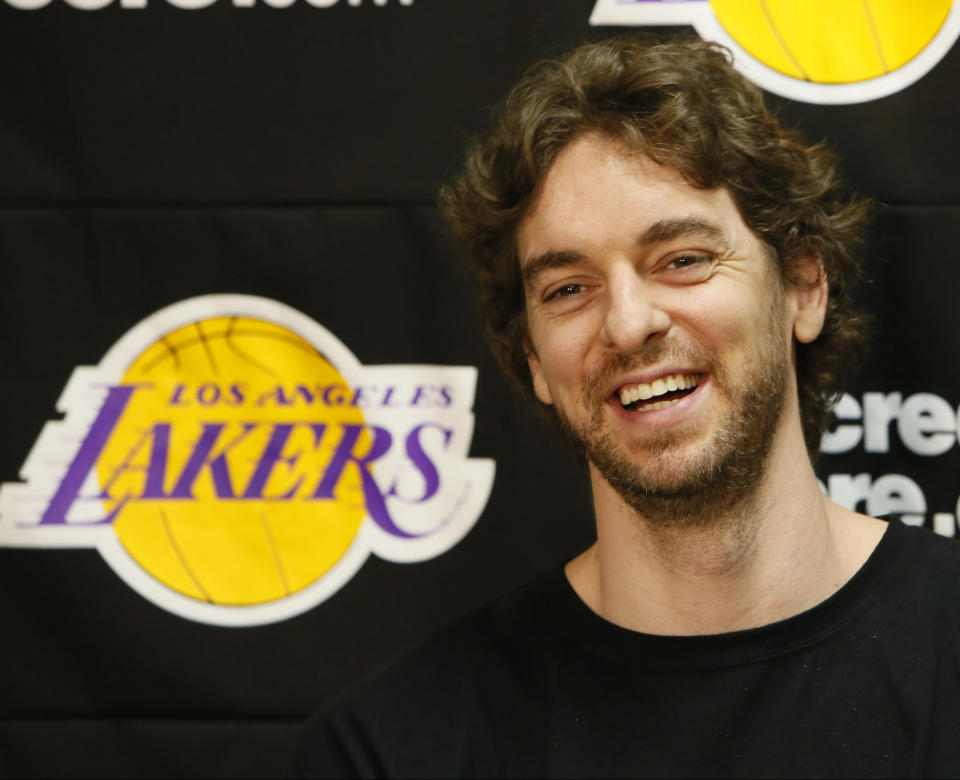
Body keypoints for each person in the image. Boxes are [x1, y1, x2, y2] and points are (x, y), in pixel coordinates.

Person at [295, 36, 960, 778]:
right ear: (533, 362)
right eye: (568, 288)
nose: (628, 322)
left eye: (682, 260)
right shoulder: (387, 751)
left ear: (803, 286)